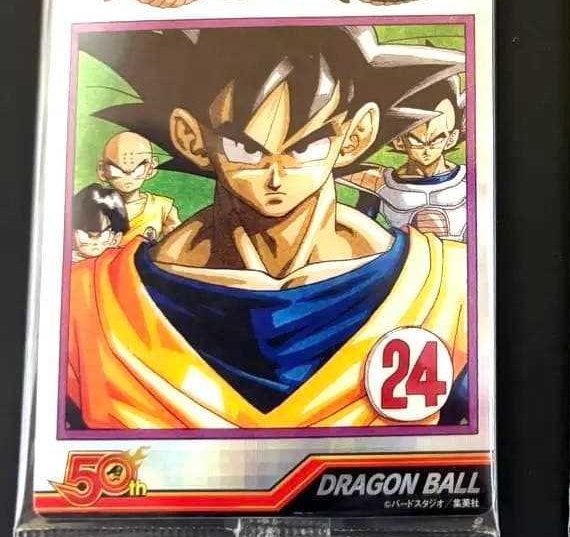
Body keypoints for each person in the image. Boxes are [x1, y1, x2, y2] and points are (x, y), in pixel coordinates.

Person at [67, 24, 468, 429]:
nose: (276, 175)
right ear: (191, 138)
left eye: (305, 146)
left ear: (355, 136)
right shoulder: (94, 303)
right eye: (245, 148)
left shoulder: (444, 287)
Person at [343, 77, 467, 240]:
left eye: (437, 138)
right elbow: (360, 235)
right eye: (416, 140)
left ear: (451, 138)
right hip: (406, 254)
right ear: (399, 141)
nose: (426, 149)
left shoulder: (467, 180)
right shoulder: (379, 183)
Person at [97, 131, 179, 243]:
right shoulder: (96, 206)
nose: (128, 178)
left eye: (138, 170)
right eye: (116, 170)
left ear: (152, 167)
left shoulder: (162, 207)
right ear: (102, 170)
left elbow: (177, 242)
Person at [71, 184, 129, 261]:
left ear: (116, 238)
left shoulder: (122, 260)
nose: (94, 242)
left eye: (102, 235)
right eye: (86, 235)